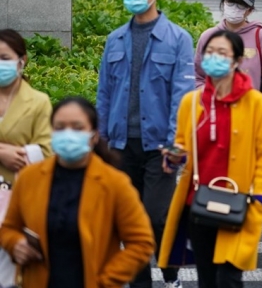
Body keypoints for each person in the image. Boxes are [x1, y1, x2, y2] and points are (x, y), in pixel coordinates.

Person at [96, 0, 194, 288]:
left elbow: (182, 95)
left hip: (160, 146)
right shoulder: (115, 39)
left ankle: (170, 273)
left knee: (155, 216)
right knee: (130, 223)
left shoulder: (177, 39)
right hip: (121, 145)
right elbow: (105, 93)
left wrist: (174, 143)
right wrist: (101, 140)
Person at [159, 31, 262, 287]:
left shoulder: (255, 102)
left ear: (236, 61)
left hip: (238, 203)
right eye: (210, 52)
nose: (214, 58)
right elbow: (182, 146)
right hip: (198, 204)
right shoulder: (191, 102)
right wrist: (174, 157)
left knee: (230, 279)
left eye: (222, 53)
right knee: (207, 278)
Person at [0, 97, 155, 287]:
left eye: (77, 127)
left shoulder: (115, 184)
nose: (68, 134)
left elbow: (141, 243)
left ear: (94, 136)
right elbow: (8, 228)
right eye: (60, 127)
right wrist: (16, 244)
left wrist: (107, 280)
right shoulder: (29, 178)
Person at [0, 29, 52, 286]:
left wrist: (18, 155)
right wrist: (3, 152)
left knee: (15, 275)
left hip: (19, 198)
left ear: (22, 60)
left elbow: (45, 152)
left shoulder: (38, 102)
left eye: (4, 57)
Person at [194, 0, 262, 113]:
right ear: (223, 2)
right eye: (230, 2)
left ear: (249, 10)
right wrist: (206, 102)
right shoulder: (208, 36)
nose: (234, 8)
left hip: (250, 114)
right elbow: (198, 75)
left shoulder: (261, 36)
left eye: (240, 4)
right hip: (215, 113)